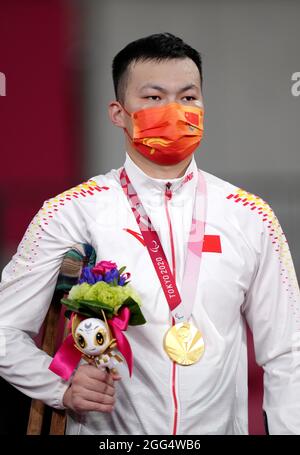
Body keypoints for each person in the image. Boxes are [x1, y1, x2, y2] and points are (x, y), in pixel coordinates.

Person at [0, 32, 299, 436]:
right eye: (154, 98)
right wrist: (60, 383)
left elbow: (288, 352)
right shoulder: (71, 212)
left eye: (188, 97)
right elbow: (5, 330)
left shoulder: (250, 215)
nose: (174, 111)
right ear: (117, 112)